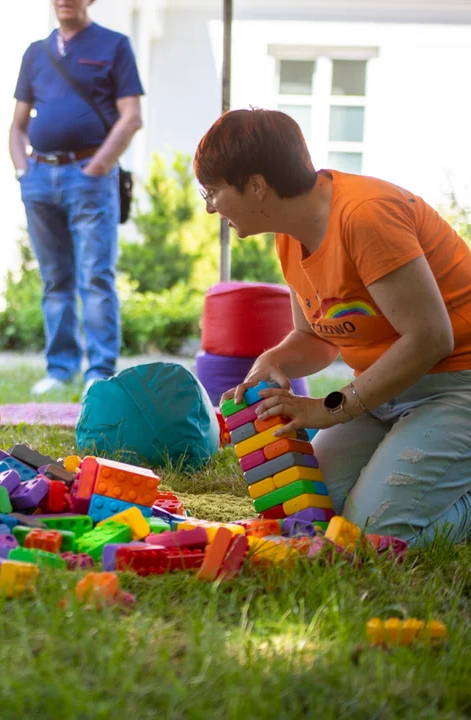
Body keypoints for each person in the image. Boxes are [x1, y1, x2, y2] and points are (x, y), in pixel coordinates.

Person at [198, 108, 471, 546]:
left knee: (372, 537)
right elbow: (316, 338)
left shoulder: (365, 215)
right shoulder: (290, 232)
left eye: (212, 191)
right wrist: (274, 359)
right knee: (315, 515)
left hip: (456, 385)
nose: (210, 206)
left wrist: (327, 410)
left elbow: (431, 338)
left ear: (256, 186)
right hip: (385, 389)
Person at [10, 0, 143, 395]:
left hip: (89, 177)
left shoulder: (114, 45)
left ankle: (99, 372)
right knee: (55, 279)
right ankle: (60, 368)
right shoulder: (36, 52)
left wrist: (98, 166)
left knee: (96, 277)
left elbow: (131, 115)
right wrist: (22, 171)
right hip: (38, 177)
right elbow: (17, 125)